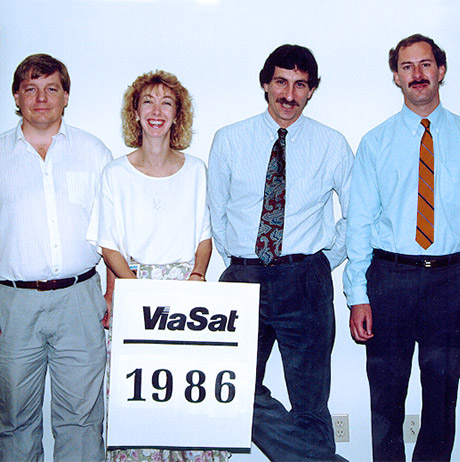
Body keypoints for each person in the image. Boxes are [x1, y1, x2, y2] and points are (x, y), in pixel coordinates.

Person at [344, 34, 460, 462]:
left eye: (426, 65)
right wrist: (357, 295)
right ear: (396, 76)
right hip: (390, 279)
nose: (418, 75)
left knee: (442, 401)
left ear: (441, 71)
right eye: (407, 67)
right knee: (385, 401)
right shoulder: (375, 143)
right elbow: (359, 224)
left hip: (451, 280)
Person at [207, 44, 353, 461]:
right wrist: (242, 260)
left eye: (300, 85)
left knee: (310, 401)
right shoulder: (230, 139)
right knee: (233, 390)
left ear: (311, 91)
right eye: (281, 82)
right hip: (242, 280)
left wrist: (325, 259)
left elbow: (359, 214)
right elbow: (217, 215)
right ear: (266, 84)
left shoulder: (331, 144)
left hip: (305, 279)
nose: (289, 94)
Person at [87, 70, 227, 462]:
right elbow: (107, 243)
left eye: (166, 103)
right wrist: (137, 289)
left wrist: (197, 275)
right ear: (134, 113)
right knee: (141, 403)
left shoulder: (197, 169)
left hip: (187, 295)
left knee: (186, 404)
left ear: (177, 115)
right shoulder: (115, 173)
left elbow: (204, 235)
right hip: (135, 293)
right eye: (147, 101)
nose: (156, 110)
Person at [0, 54, 111, 461]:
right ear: (17, 96)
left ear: (66, 96)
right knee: (13, 419)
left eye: (51, 89)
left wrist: (112, 294)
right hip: (12, 304)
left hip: (80, 300)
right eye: (30, 89)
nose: (41, 98)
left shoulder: (94, 152)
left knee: (81, 420)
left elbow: (112, 232)